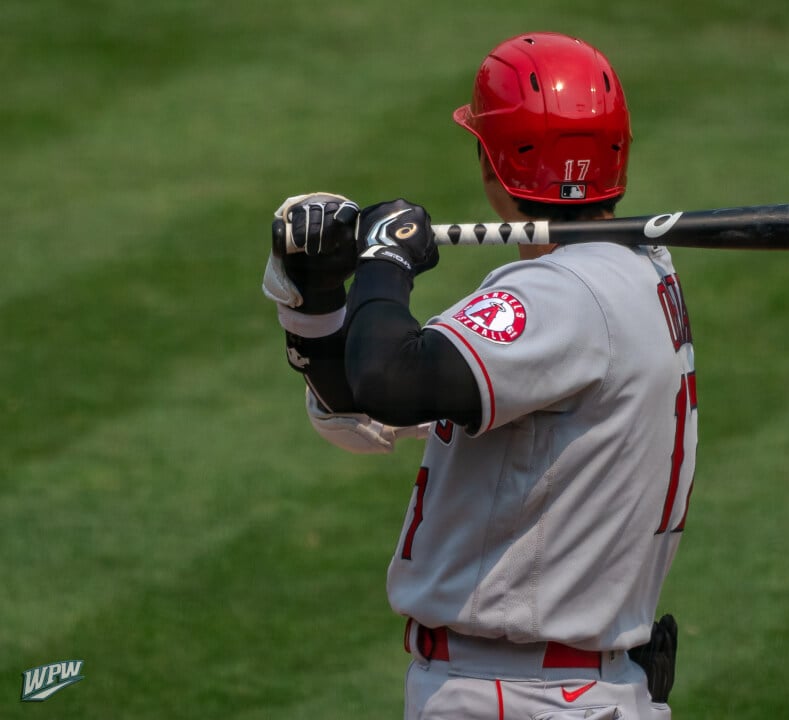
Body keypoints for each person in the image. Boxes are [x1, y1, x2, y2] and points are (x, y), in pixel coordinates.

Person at [262, 31, 695, 719]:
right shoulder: (638, 273)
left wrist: (384, 264)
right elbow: (367, 410)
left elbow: (390, 382)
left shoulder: (561, 296)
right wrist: (314, 300)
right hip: (565, 685)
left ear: (494, 159)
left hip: (518, 694)